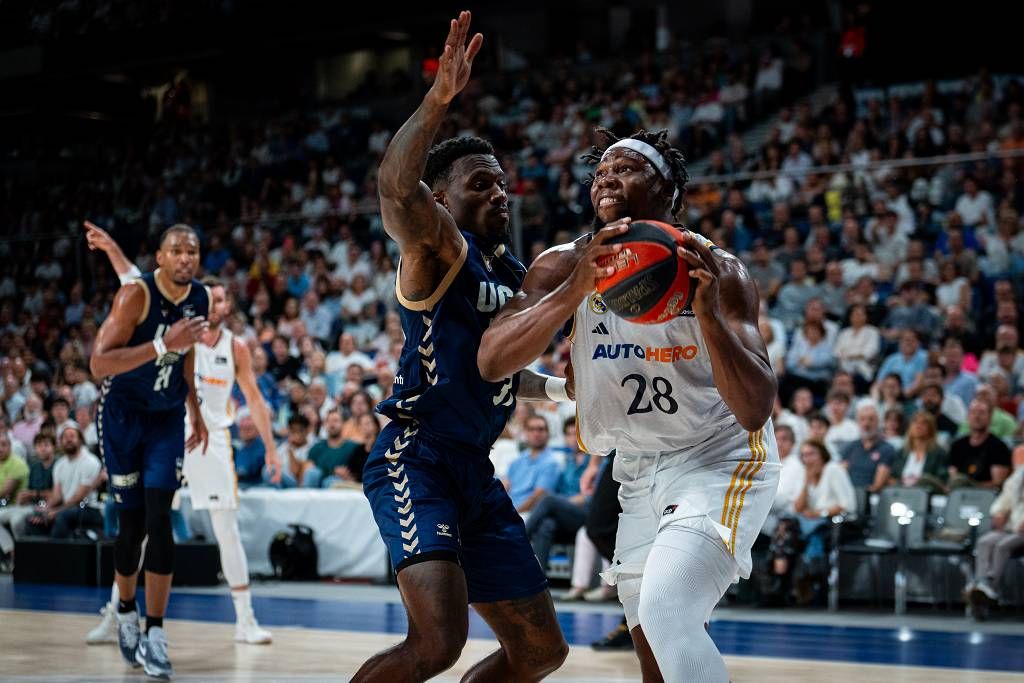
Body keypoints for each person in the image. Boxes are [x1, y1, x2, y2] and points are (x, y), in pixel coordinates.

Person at [478, 126, 780, 682]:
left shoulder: (719, 269)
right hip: (634, 471)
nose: (607, 179)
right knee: (654, 651)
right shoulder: (563, 264)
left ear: (666, 188)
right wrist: (575, 290)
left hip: (718, 459)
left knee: (667, 609)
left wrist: (708, 316)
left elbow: (756, 408)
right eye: (599, 174)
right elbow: (492, 359)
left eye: (625, 168)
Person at [353, 13, 568, 681]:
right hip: (416, 457)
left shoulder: (512, 273)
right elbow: (395, 188)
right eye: (482, 183)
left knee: (541, 651)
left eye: (502, 182)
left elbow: (495, 368)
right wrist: (438, 100)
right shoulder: (439, 250)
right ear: (442, 199)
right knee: (436, 642)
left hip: (473, 466)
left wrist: (559, 390)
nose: (499, 192)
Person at [83, 246, 282, 645]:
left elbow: (256, 401)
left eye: (225, 298)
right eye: (215, 296)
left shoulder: (235, 347)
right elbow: (133, 278)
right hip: (166, 434)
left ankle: (245, 620)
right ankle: (115, 613)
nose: (219, 302)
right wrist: (110, 249)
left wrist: (272, 449)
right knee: (138, 528)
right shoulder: (170, 331)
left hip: (212, 440)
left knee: (225, 528)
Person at [88, 222, 210, 678]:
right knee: (132, 523)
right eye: (176, 250)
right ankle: (124, 608)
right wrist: (161, 343)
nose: (185, 258)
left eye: (192, 251)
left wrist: (194, 407)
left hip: (165, 419)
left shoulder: (201, 297)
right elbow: (99, 363)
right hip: (122, 418)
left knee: (161, 519)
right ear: (159, 257)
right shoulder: (135, 296)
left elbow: (189, 350)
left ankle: (155, 631)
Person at [966, 463, 1024, 610]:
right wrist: (999, 512)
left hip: (1021, 530)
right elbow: (1007, 495)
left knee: (1002, 545)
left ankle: (990, 587)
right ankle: (981, 583)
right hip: (1011, 526)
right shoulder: (1019, 474)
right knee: (985, 541)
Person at [947, 399, 1011, 490]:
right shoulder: (957, 445)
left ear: (990, 417)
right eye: (973, 412)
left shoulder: (999, 447)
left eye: (981, 413)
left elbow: (997, 483)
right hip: (959, 495)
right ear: (968, 417)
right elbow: (953, 477)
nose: (976, 416)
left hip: (985, 497)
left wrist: (970, 486)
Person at [503, 414, 561, 512]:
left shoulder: (551, 463)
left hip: (527, 513)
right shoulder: (518, 460)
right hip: (506, 510)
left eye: (540, 429)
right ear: (525, 433)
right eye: (531, 429)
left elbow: (537, 497)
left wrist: (511, 515)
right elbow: (504, 485)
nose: (536, 433)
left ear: (547, 433)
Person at [839, 400, 894, 493]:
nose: (866, 424)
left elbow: (877, 486)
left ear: (879, 423)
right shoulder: (851, 447)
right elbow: (840, 475)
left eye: (871, 419)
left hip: (869, 497)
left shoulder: (886, 449)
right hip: (848, 495)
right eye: (862, 419)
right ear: (857, 422)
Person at [890, 412, 948, 493]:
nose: (918, 426)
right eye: (915, 422)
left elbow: (940, 480)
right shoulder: (901, 452)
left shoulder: (939, 453)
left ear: (930, 429)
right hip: (901, 494)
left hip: (926, 495)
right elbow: (892, 477)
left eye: (924, 423)